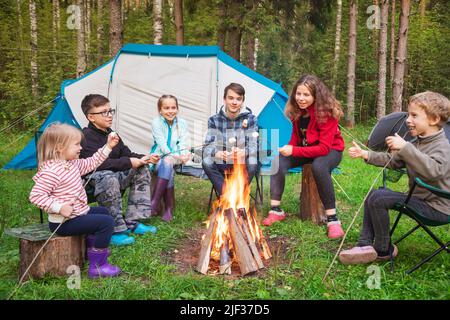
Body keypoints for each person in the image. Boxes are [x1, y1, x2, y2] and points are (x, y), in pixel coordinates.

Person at [339, 91, 450, 264]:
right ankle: (365, 245)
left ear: (434, 119)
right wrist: (366, 154)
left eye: (414, 115)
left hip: (437, 208)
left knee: (379, 197)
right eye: (408, 115)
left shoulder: (443, 147)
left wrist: (405, 147)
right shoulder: (418, 142)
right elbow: (393, 161)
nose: (407, 120)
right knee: (375, 194)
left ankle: (384, 249)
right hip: (420, 200)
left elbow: (434, 171)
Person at [29, 123, 122, 278]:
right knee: (106, 223)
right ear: (60, 148)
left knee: (103, 212)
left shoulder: (72, 164)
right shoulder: (51, 172)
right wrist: (59, 207)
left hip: (77, 214)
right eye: (77, 144)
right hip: (63, 222)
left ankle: (91, 250)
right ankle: (97, 266)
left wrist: (108, 146)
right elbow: (36, 195)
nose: (80, 148)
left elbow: (92, 162)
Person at [262, 74, 346, 239]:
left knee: (319, 166)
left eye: (306, 95)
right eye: (298, 94)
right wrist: (288, 148)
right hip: (307, 148)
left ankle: (333, 219)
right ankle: (276, 210)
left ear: (316, 96)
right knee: (278, 161)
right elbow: (296, 139)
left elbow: (323, 148)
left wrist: (293, 151)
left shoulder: (327, 113)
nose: (301, 98)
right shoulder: (297, 112)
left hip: (330, 151)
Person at [80, 94, 159, 246]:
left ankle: (132, 221)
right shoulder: (85, 136)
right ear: (91, 117)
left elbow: (127, 154)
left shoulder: (112, 134)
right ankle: (114, 229)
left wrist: (146, 157)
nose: (109, 116)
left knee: (141, 167)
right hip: (91, 181)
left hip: (114, 177)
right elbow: (98, 164)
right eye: (104, 112)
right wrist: (129, 162)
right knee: (107, 176)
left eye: (111, 111)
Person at [202, 83, 259, 197]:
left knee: (253, 162)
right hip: (223, 160)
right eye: (231, 98)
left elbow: (254, 144)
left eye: (238, 99)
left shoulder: (251, 119)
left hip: (242, 161)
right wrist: (217, 153)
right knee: (206, 162)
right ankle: (228, 195)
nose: (234, 102)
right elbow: (208, 144)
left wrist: (244, 152)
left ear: (242, 101)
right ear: (224, 99)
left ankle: (238, 196)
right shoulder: (214, 120)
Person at [149, 95, 191, 222]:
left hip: (178, 157)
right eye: (166, 108)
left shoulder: (182, 123)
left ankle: (154, 205)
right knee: (168, 164)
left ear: (177, 109)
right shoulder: (156, 122)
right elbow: (162, 146)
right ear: (160, 110)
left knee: (168, 162)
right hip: (159, 157)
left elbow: (183, 143)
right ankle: (168, 208)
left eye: (173, 107)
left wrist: (183, 155)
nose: (170, 111)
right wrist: (175, 157)